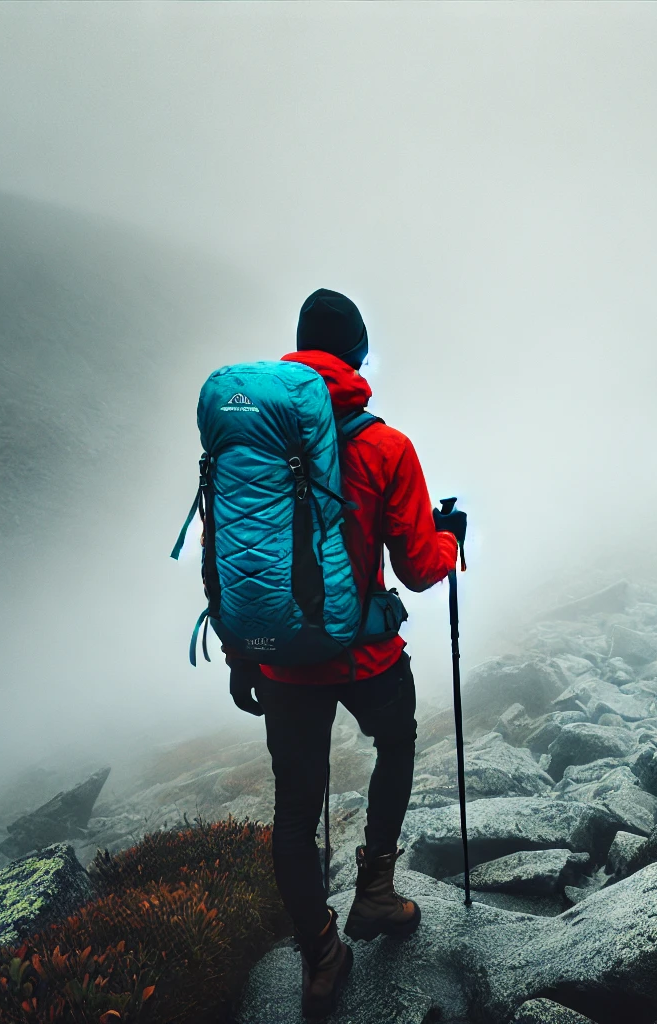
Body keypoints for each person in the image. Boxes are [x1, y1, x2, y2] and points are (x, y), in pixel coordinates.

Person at [225, 288, 464, 1018]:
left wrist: (244, 655)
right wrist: (450, 536)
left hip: (284, 662)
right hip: (366, 657)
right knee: (396, 743)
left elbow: (232, 556)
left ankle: (321, 958)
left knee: (297, 811)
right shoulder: (385, 446)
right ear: (359, 357)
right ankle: (377, 894)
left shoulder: (250, 441)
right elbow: (421, 568)